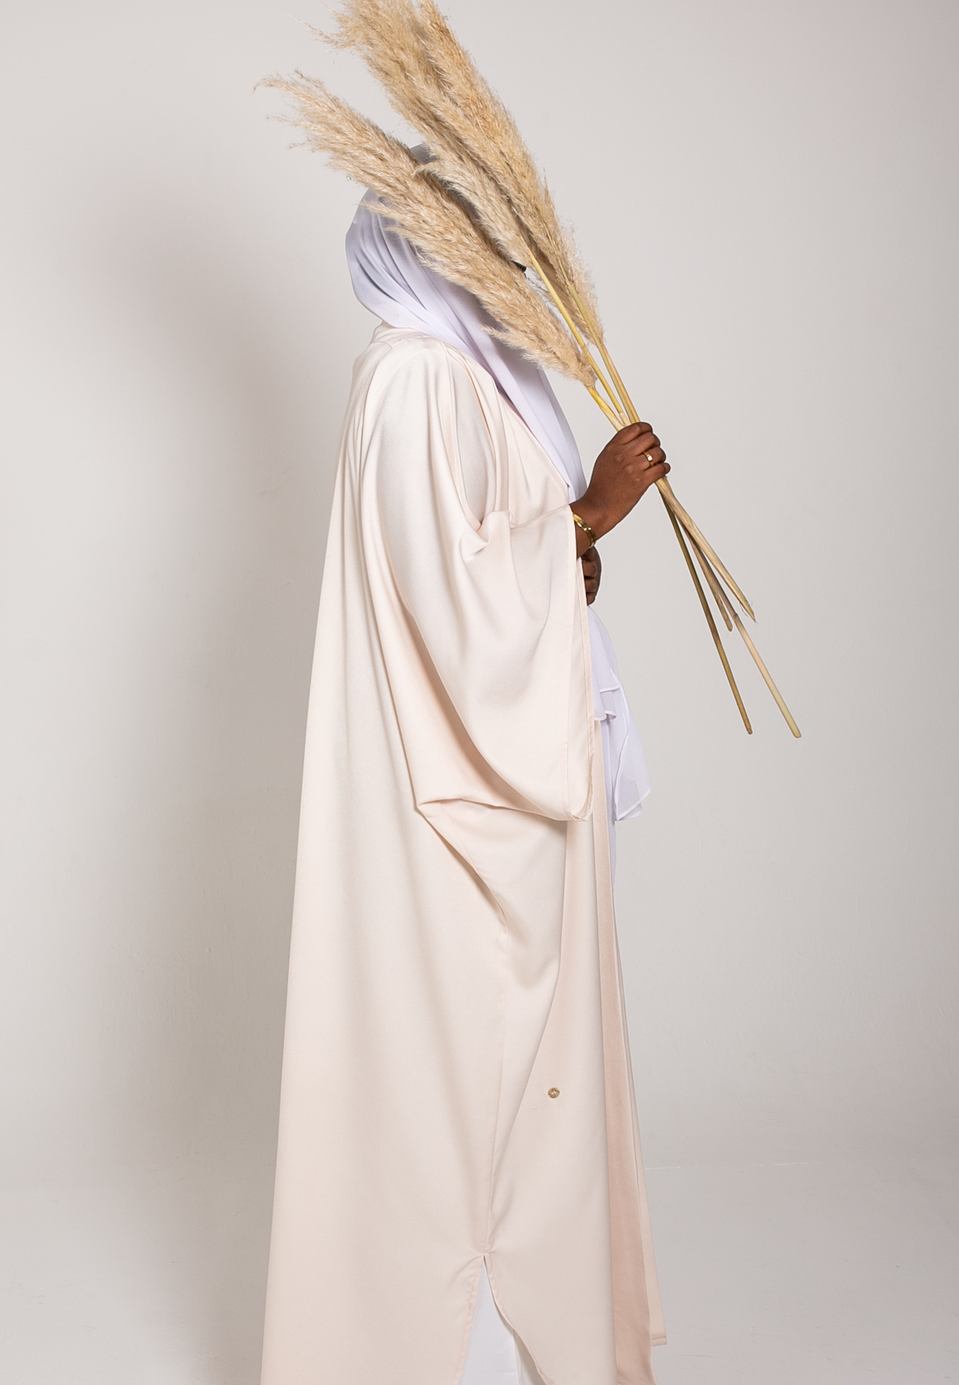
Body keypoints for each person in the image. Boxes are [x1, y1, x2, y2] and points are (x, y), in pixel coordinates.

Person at [259, 194, 668, 1385]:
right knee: (472, 1058)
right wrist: (594, 508)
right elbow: (454, 597)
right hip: (459, 796)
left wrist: (572, 545)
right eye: (467, 242)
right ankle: (461, 1351)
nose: (495, 261)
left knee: (499, 1065)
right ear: (415, 255)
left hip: (482, 761)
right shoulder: (416, 377)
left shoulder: (467, 375)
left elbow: (500, 563)